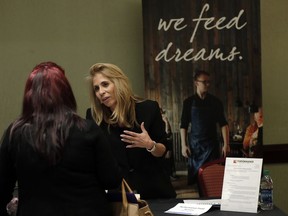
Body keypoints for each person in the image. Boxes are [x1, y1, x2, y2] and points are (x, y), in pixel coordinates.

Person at [0, 62, 122, 216]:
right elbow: (111, 180)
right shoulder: (88, 130)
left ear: (30, 94)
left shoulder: (14, 134)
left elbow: (3, 188)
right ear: (66, 92)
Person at [86, 63, 176, 199]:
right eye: (96, 88)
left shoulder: (148, 109)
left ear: (119, 83)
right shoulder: (94, 117)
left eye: (105, 84)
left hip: (154, 191)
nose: (101, 92)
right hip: (119, 194)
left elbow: (162, 150)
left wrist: (150, 145)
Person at [180, 70, 230, 186]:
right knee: (197, 179)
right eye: (204, 82)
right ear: (196, 83)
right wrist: (183, 145)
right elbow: (183, 125)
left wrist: (226, 144)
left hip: (212, 146)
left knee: (212, 178)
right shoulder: (188, 102)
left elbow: (223, 124)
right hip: (195, 147)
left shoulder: (216, 102)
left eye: (209, 82)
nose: (207, 84)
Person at [160, 108, 177, 180]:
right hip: (160, 142)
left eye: (161, 113)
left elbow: (168, 133)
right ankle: (166, 175)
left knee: (169, 158)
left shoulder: (164, 120)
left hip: (167, 141)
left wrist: (166, 122)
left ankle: (170, 174)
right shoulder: (155, 121)